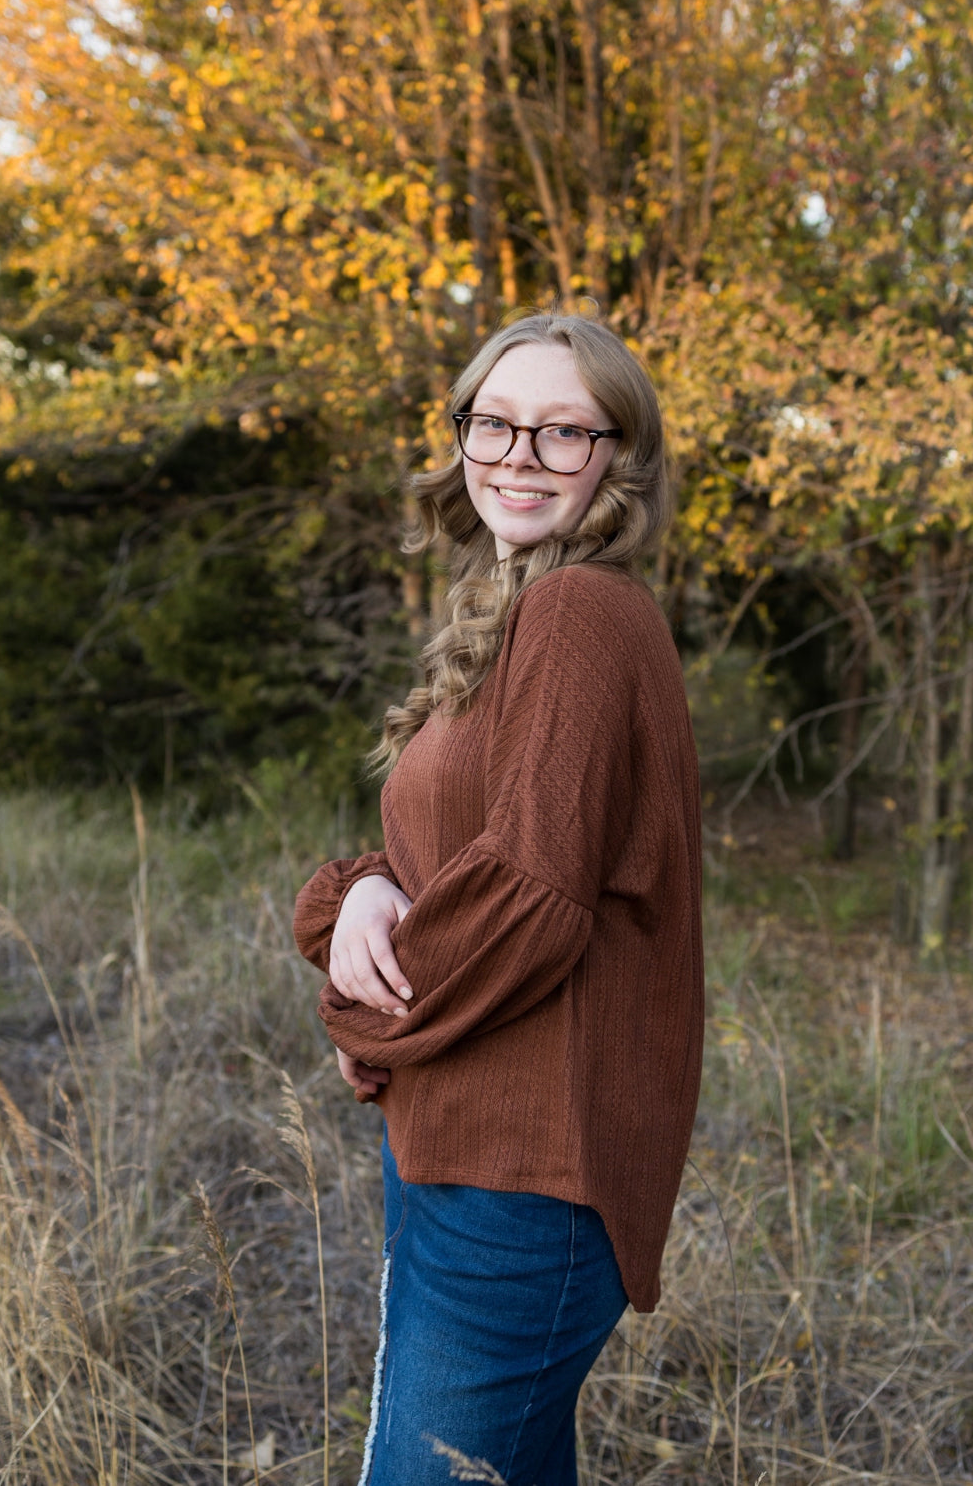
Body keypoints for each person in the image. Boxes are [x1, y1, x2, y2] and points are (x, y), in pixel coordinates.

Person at [292, 309, 703, 1486]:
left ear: (619, 454)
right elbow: (468, 850)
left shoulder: (582, 617)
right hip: (471, 1139)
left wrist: (362, 1017)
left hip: (525, 1173)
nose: (518, 454)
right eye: (494, 421)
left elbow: (530, 897)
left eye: (563, 431)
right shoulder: (521, 608)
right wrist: (363, 896)